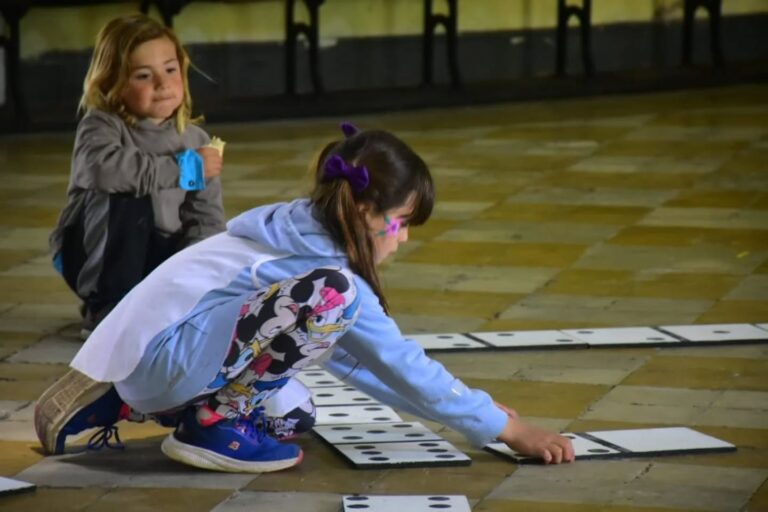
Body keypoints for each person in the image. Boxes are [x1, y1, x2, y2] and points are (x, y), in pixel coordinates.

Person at [35, 124, 574, 473]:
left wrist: (474, 417)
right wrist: (509, 430)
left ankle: (135, 400)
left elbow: (360, 362)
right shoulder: (326, 274)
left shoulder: (297, 225)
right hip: (164, 358)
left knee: (295, 415)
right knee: (334, 299)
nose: (404, 237)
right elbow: (397, 361)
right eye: (402, 222)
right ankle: (212, 424)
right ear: (365, 210)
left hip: (155, 351)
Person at [49, 14, 226, 338]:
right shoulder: (101, 125)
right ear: (111, 83)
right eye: (144, 75)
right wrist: (184, 170)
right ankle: (107, 307)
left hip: (155, 254)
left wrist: (200, 277)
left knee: (210, 244)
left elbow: (207, 218)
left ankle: (164, 307)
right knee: (128, 196)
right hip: (93, 257)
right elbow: (104, 171)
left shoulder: (197, 142)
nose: (162, 84)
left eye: (170, 70)